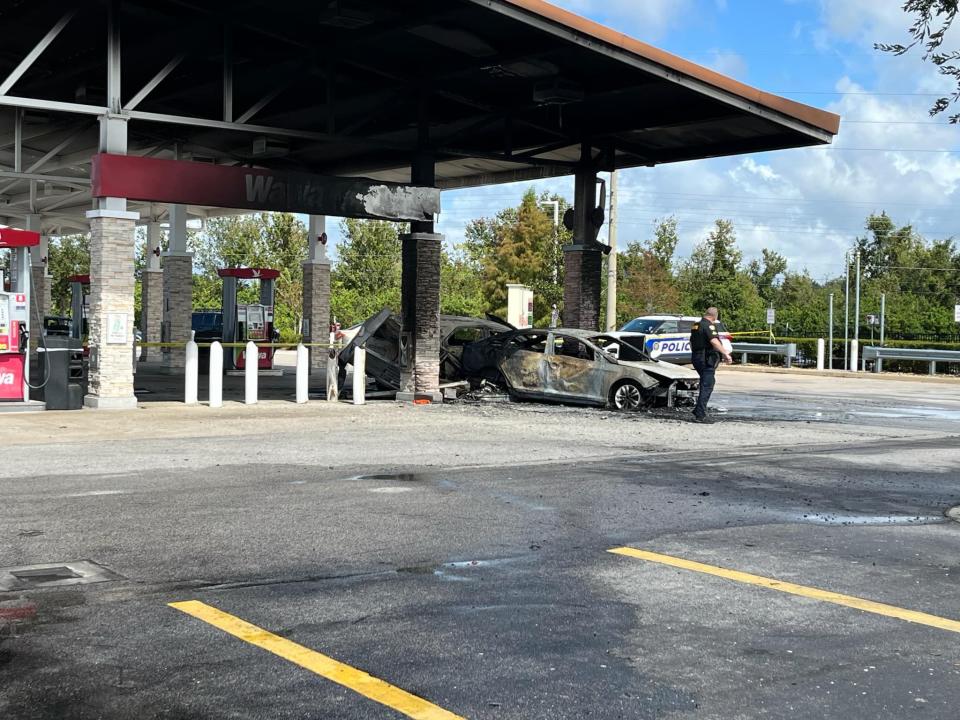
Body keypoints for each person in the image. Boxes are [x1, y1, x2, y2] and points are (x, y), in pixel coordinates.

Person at [689, 307, 732, 423]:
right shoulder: (709, 326)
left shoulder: (696, 325)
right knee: (707, 385)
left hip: (697, 357)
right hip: (706, 359)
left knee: (705, 383)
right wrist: (725, 353)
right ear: (715, 316)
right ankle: (700, 414)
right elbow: (714, 341)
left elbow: (691, 342)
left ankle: (698, 410)